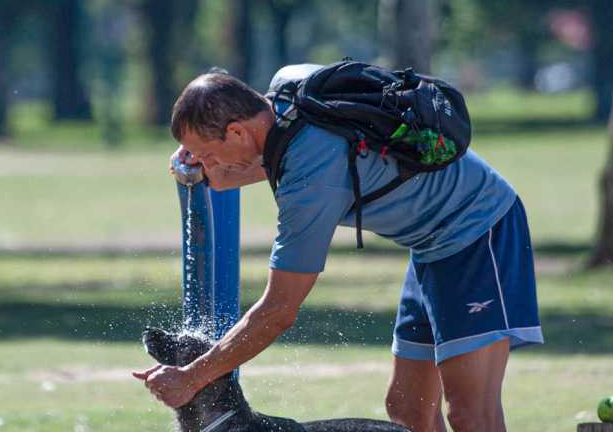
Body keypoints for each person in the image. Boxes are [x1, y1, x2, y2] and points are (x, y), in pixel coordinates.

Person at [132, 65, 543, 432]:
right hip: (430, 246)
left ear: (237, 131)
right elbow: (286, 162)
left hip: (478, 229)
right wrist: (213, 168)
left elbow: (278, 312)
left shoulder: (308, 185)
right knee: (408, 410)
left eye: (205, 153)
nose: (201, 162)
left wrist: (192, 377)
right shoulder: (287, 89)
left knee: (471, 414)